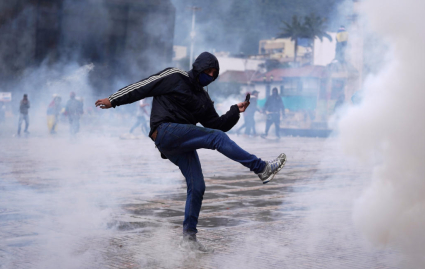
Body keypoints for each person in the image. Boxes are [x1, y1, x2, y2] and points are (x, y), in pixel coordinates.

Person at [95, 52, 287, 253]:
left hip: (180, 142)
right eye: (208, 71)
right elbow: (143, 87)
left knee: (197, 186)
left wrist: (234, 111)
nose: (210, 76)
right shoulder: (175, 76)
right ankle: (261, 168)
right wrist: (113, 99)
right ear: (198, 67)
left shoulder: (203, 98)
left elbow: (216, 125)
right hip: (165, 130)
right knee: (216, 139)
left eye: (214, 73)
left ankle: (188, 240)